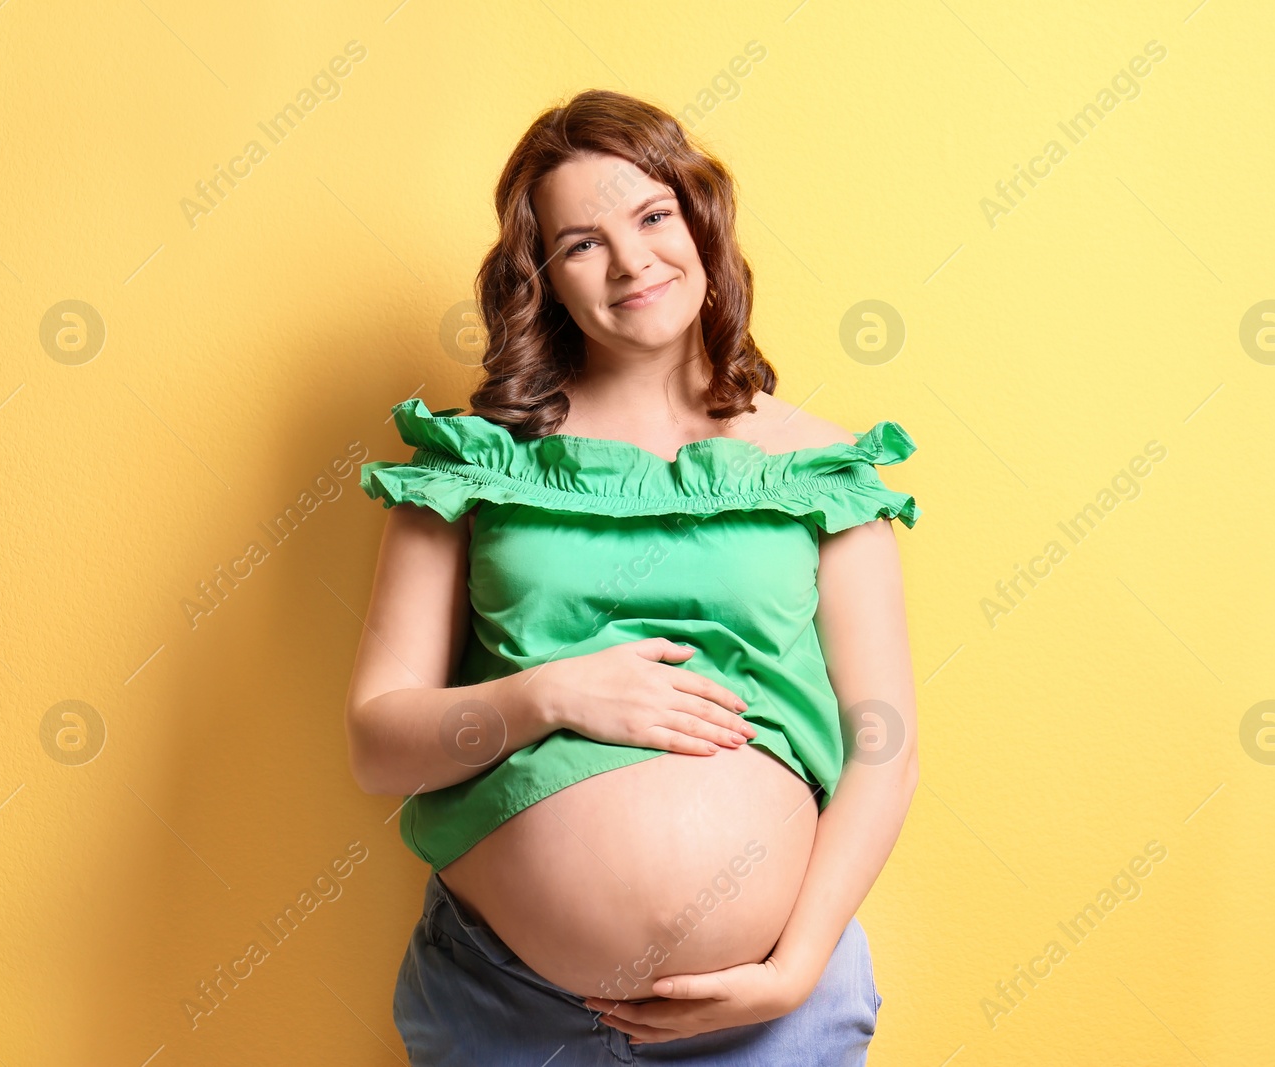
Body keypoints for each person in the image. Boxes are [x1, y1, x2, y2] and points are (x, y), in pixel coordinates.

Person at [345, 88, 923, 1065]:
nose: (631, 261)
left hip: (768, 1010)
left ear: (700, 221)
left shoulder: (820, 468)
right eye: (581, 243)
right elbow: (377, 746)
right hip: (507, 1002)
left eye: (653, 216)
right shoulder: (471, 461)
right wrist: (553, 693)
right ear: (543, 278)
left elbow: (885, 743)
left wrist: (795, 966)